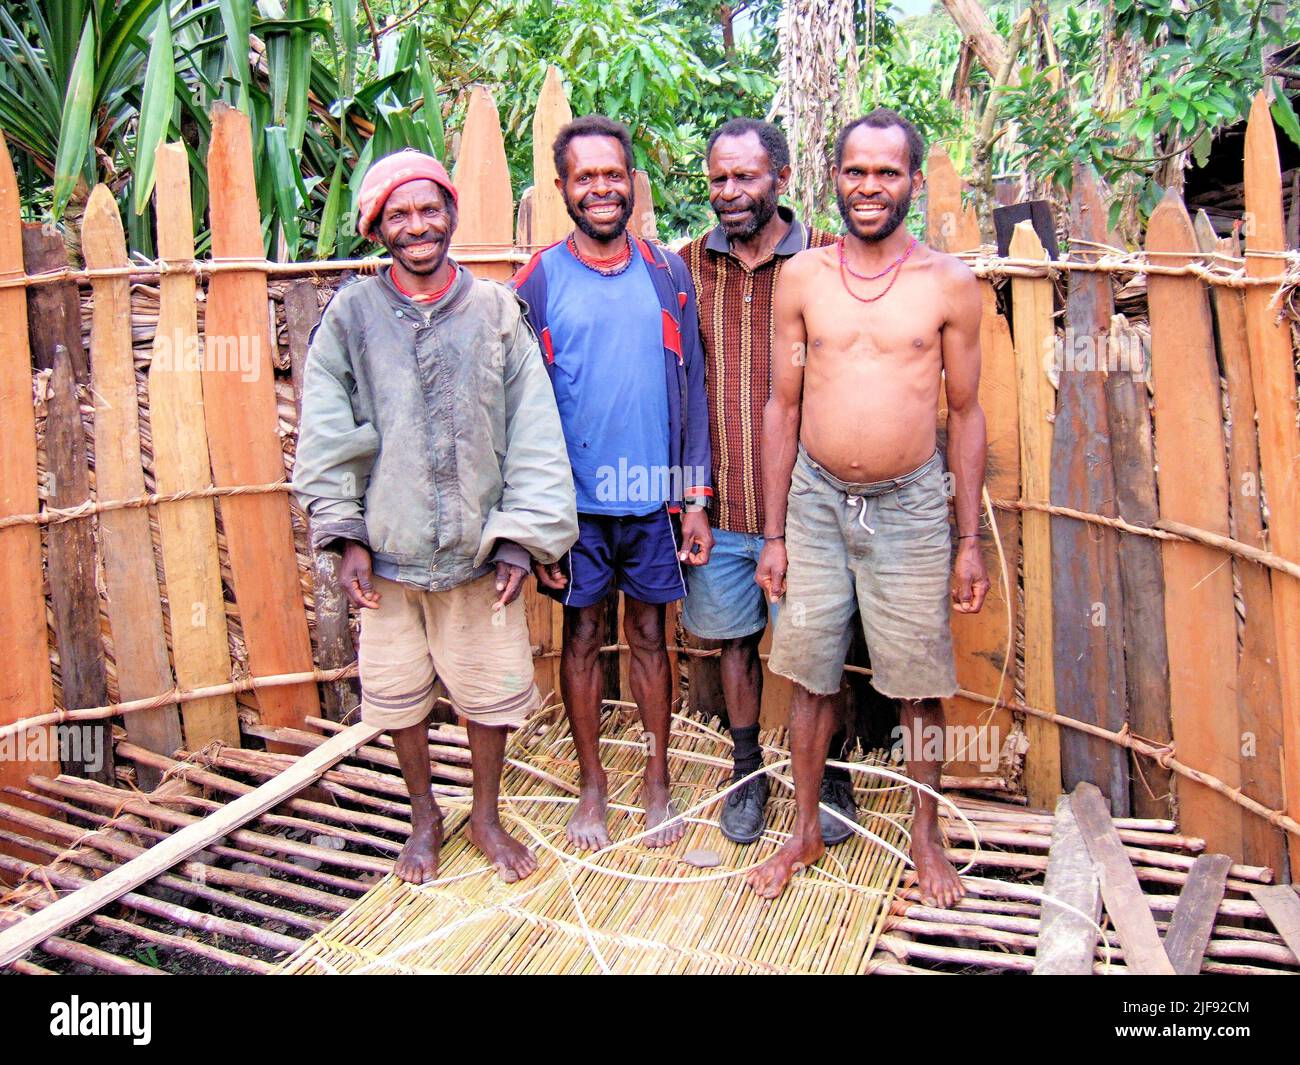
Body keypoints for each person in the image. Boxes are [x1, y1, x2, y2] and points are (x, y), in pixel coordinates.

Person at [295, 150, 578, 886]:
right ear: (377, 228)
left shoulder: (493, 311)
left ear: (451, 215)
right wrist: (345, 534)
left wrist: (520, 537)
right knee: (398, 697)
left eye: (429, 210)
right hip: (387, 558)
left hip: (479, 556)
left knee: (488, 694)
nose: (416, 226)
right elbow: (326, 429)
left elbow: (534, 430)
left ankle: (484, 814)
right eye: (399, 214)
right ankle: (424, 814)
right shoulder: (352, 317)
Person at [747, 109, 989, 906]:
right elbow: (782, 405)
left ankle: (926, 836)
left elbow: (968, 412)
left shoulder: (949, 285)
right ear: (834, 177)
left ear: (914, 181)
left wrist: (967, 542)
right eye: (856, 170)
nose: (870, 186)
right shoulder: (803, 277)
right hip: (815, 499)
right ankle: (805, 828)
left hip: (913, 500)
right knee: (809, 670)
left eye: (888, 172)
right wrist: (774, 530)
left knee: (918, 678)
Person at [512, 116, 714, 852]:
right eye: (584, 177)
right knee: (584, 633)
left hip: (655, 502)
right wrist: (535, 517)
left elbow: (692, 389)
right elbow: (517, 403)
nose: (601, 188)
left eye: (613, 174)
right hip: (576, 508)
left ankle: (658, 779)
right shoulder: (536, 280)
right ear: (562, 188)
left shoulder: (668, 272)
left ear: (632, 183)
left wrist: (695, 498)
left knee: (652, 635)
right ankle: (593, 783)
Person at [681, 118, 857, 847]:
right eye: (719, 178)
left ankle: (833, 769)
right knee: (733, 644)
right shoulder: (685, 266)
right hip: (720, 503)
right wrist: (688, 496)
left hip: (808, 509)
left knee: (816, 654)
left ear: (780, 178)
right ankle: (748, 769)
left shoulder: (827, 260)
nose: (730, 192)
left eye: (746, 176)